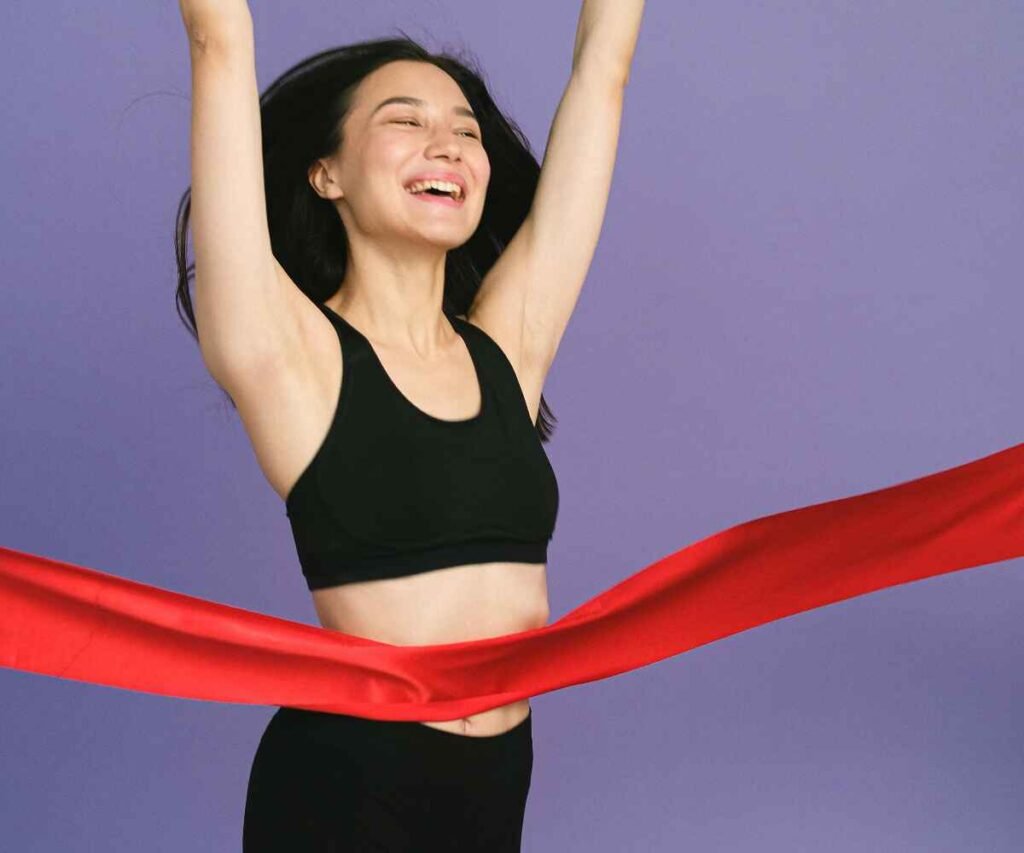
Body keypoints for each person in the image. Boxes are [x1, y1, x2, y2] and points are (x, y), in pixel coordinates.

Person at [175, 0, 645, 847]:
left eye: (466, 130)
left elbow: (602, 72)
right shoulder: (289, 359)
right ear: (327, 174)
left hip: (497, 782)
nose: (450, 145)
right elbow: (219, 39)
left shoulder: (508, 349)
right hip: (347, 788)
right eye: (406, 120)